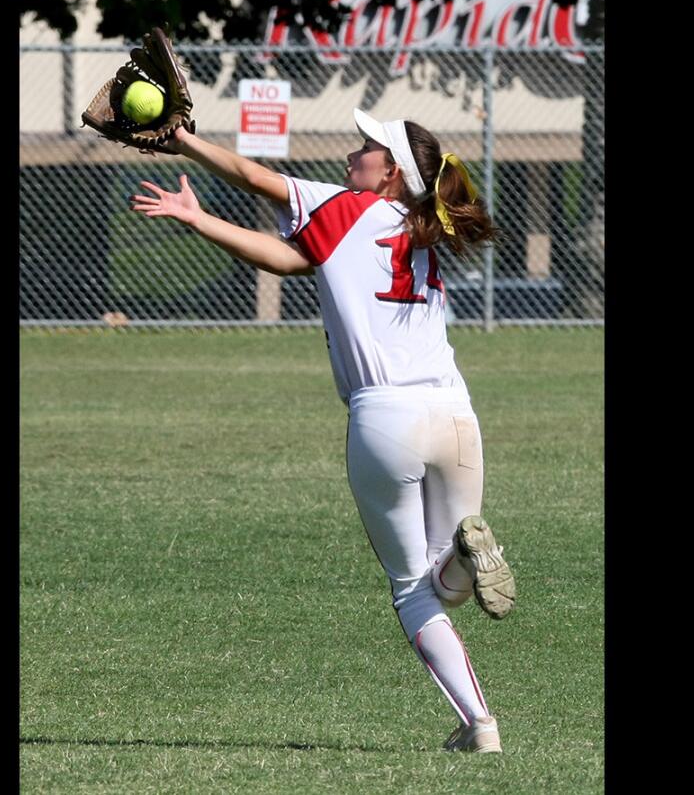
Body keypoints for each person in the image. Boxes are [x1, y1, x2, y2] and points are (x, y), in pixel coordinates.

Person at [130, 110, 516, 753]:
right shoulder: (421, 228)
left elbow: (255, 178)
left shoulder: (346, 208)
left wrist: (184, 142)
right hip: (455, 413)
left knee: (411, 593)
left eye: (366, 148)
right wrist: (199, 220)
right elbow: (288, 260)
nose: (352, 154)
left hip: (385, 420)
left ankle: (481, 725)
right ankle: (470, 557)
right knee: (443, 577)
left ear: (389, 172)